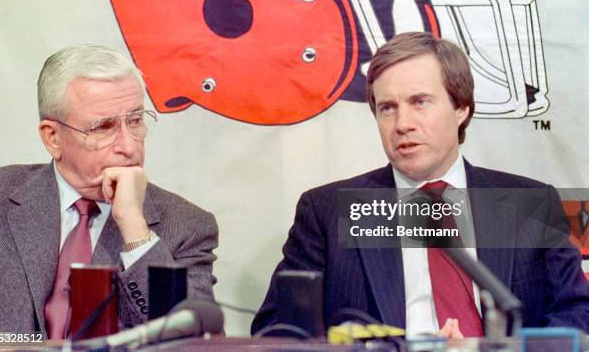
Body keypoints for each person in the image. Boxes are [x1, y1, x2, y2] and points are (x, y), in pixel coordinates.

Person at [252, 32, 589, 337]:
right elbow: (277, 330)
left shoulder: (529, 203)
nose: (402, 124)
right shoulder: (327, 212)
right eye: (387, 108)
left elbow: (578, 312)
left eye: (420, 102)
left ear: (460, 108)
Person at [0, 44, 218, 339]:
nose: (129, 147)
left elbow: (186, 341)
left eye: (135, 121)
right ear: (52, 137)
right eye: (103, 127)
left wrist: (135, 229)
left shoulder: (187, 226)